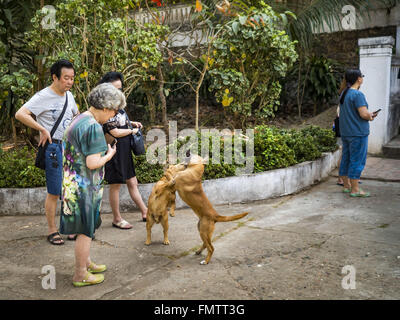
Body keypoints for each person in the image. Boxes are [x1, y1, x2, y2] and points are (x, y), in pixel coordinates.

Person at [60, 83, 125, 286]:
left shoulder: (79, 119)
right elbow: (92, 162)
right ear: (105, 107)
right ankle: (80, 274)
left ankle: (86, 263)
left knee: (82, 229)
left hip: (71, 184)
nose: (113, 116)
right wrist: (109, 155)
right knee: (86, 232)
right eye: (114, 111)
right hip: (85, 188)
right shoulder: (94, 127)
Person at [15, 59, 79, 245]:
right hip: (53, 148)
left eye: (72, 78)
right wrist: (42, 129)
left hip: (69, 147)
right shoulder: (43, 96)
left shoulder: (70, 96)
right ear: (55, 77)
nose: (69, 82)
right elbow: (20, 114)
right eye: (66, 78)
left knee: (69, 188)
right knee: (54, 190)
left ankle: (69, 227)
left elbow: (76, 115)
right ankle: (52, 230)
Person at [98, 72, 148, 229]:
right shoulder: (104, 108)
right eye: (114, 89)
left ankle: (146, 212)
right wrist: (132, 131)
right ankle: (116, 218)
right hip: (114, 152)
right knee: (116, 185)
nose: (118, 93)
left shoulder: (118, 106)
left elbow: (120, 122)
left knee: (132, 181)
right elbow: (115, 132)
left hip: (125, 151)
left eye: (120, 89)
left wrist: (131, 123)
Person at [338, 69, 378, 197]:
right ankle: (355, 189)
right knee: (357, 160)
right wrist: (370, 116)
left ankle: (346, 186)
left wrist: (367, 115)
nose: (362, 79)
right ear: (358, 79)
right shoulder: (358, 95)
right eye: (362, 77)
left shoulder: (344, 93)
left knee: (346, 158)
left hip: (346, 132)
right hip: (358, 133)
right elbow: (363, 114)